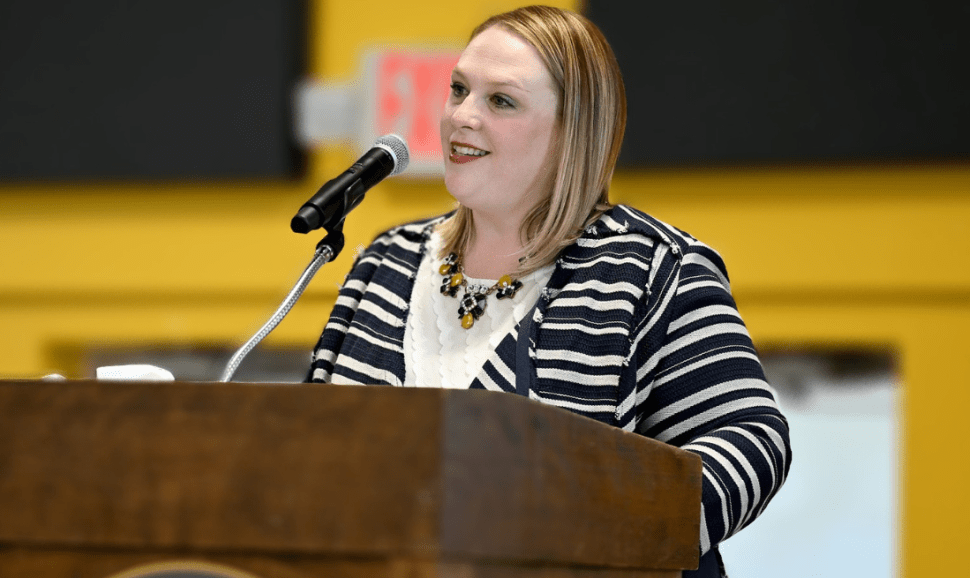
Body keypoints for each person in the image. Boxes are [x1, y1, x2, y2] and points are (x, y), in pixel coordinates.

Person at [306, 5, 791, 576]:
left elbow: (752, 442)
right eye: (459, 89)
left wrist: (609, 530)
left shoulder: (655, 269)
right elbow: (313, 447)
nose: (463, 115)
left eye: (501, 101)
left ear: (573, 131)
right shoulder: (385, 261)